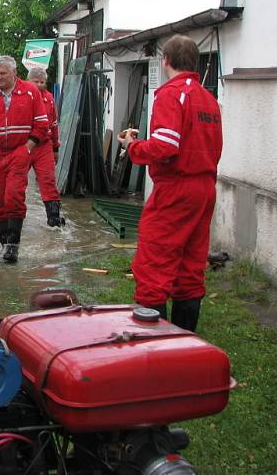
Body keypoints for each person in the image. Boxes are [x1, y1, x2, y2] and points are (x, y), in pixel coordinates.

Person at [118, 35, 223, 332]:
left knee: (153, 265)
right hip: (204, 188)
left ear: (165, 61)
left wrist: (132, 146)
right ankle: (186, 339)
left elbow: (166, 146)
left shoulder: (169, 94)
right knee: (190, 265)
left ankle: (155, 342)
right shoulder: (208, 99)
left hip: (175, 189)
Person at [0, 55, 48, 262]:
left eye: (3, 74)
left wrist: (27, 149)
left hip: (18, 151)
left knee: (13, 195)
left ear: (14, 73)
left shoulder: (31, 92)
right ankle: (3, 243)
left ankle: (13, 244)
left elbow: (42, 124)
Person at [26, 66, 65, 227]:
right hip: (24, 145)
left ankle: (54, 218)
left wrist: (55, 148)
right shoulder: (19, 97)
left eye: (42, 82)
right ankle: (13, 218)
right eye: (36, 82)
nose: (39, 85)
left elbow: (54, 124)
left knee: (48, 180)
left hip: (44, 146)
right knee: (17, 182)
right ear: (28, 81)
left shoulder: (49, 98)